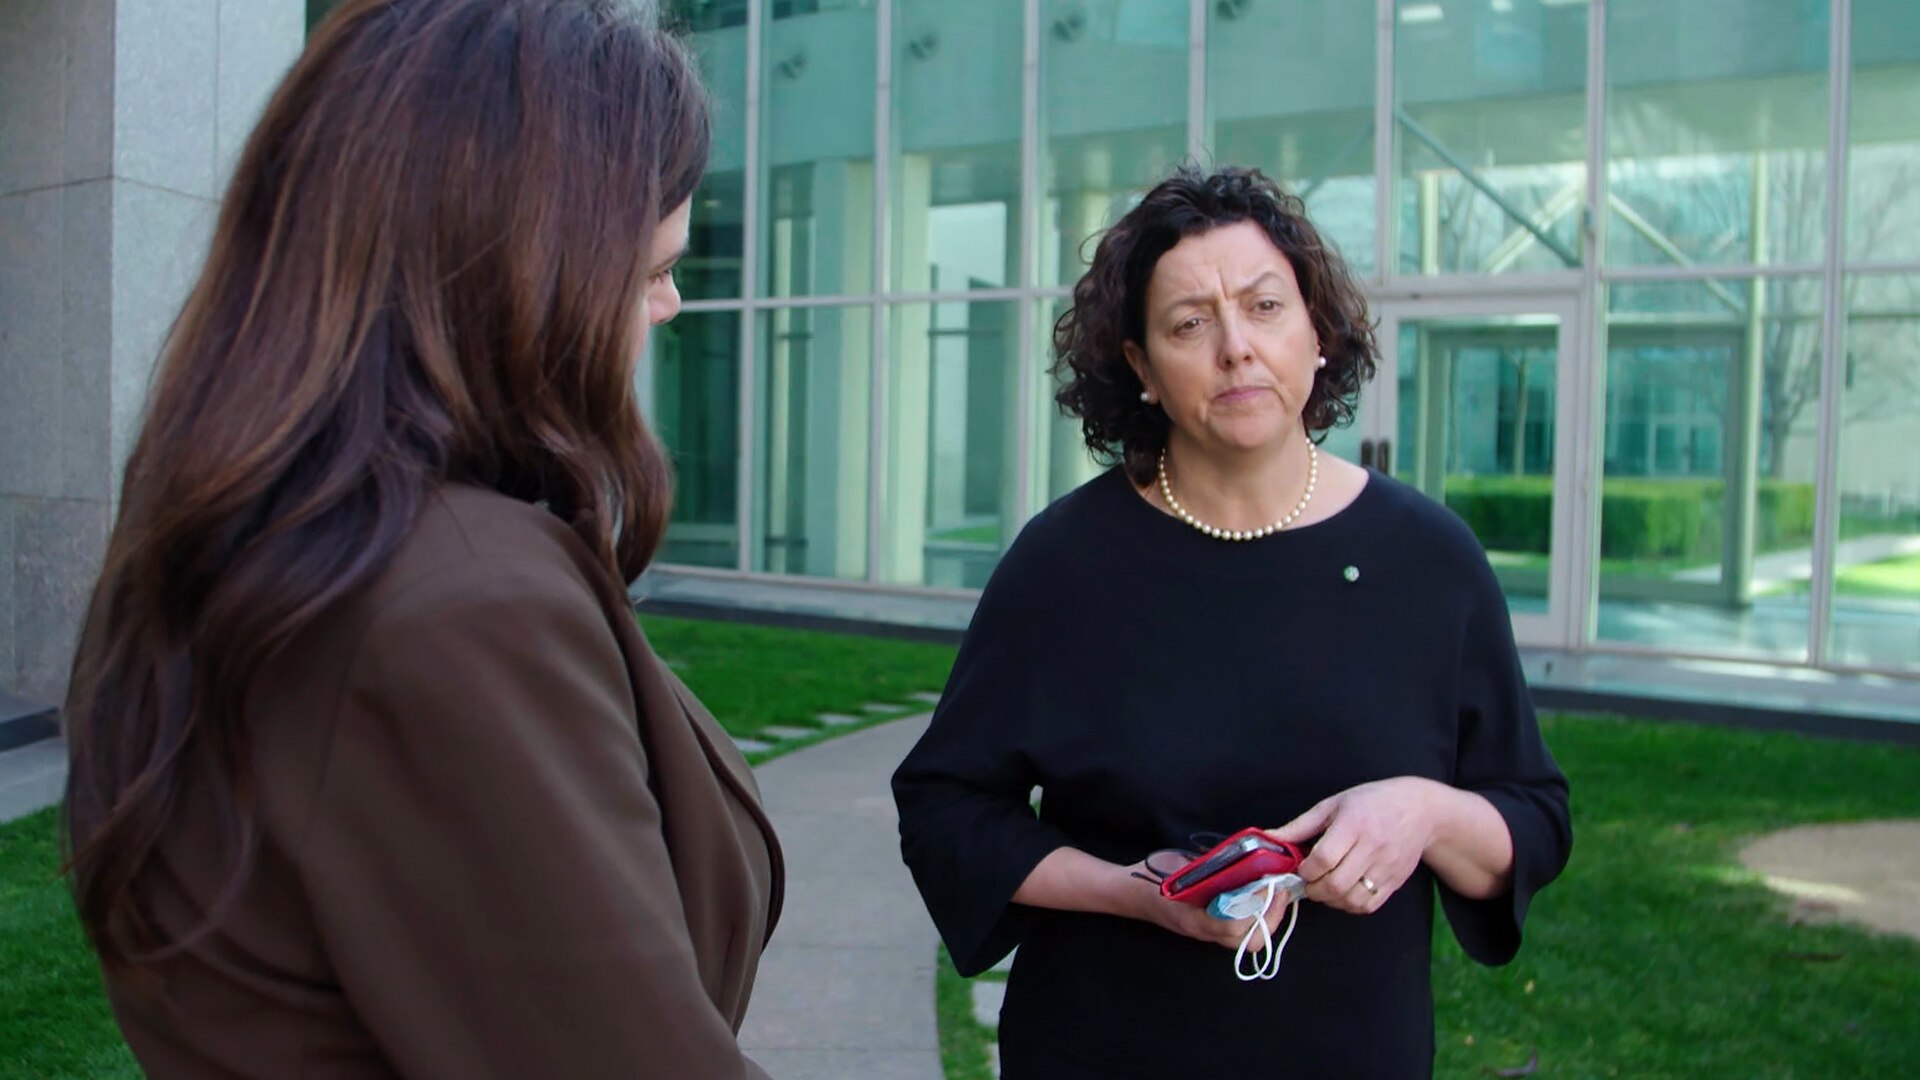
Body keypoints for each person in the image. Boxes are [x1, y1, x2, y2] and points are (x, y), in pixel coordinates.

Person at [60, 1, 782, 1075]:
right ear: (517, 268)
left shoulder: (277, 544)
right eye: (648, 271)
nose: (669, 305)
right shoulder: (455, 602)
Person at [893, 165, 1572, 1078]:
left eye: (1264, 307)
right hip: (1100, 1048)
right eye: (1189, 324)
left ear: (1317, 333)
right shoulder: (1066, 563)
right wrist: (1131, 892)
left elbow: (1533, 820)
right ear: (1140, 368)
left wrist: (1423, 812)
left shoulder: (1429, 560)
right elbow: (945, 806)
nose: (1236, 349)